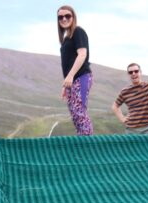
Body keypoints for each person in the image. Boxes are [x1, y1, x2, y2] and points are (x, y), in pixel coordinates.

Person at [57, 5, 93, 136]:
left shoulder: (78, 32)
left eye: (67, 16)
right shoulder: (66, 38)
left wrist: (71, 76)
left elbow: (82, 54)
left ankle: (87, 143)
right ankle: (81, 140)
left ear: (73, 17)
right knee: (74, 113)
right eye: (60, 17)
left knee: (79, 111)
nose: (64, 19)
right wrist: (65, 84)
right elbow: (67, 63)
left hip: (81, 76)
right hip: (72, 80)